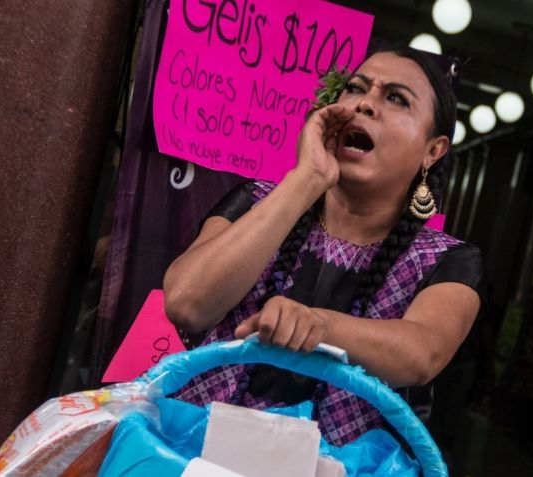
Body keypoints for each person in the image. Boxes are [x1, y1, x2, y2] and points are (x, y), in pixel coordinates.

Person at [162, 45, 484, 446]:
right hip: (191, 454)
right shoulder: (255, 201)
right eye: (355, 89)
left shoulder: (447, 261)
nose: (365, 104)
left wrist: (319, 325)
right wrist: (308, 178)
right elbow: (187, 303)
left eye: (396, 98)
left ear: (432, 150)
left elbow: (422, 354)